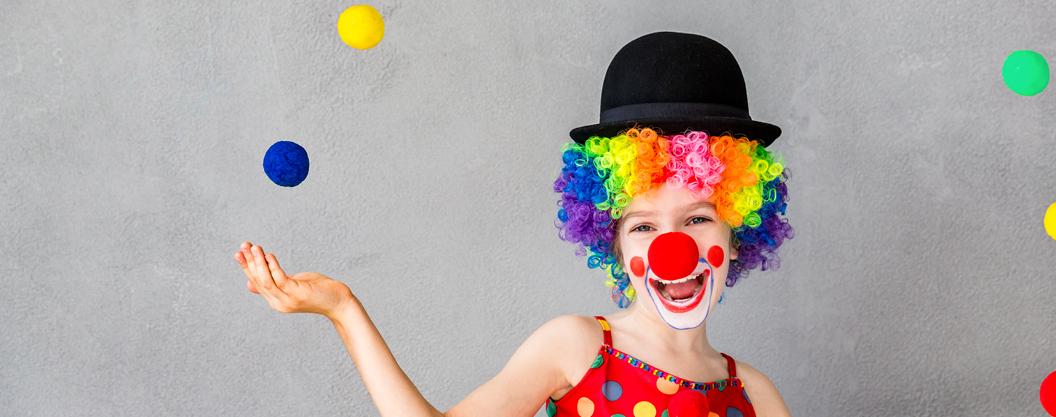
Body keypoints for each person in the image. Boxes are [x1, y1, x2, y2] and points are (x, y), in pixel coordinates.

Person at [236, 32, 794, 417]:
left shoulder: (757, 396)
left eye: (697, 218)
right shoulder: (578, 347)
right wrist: (343, 309)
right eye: (643, 227)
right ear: (616, 245)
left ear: (738, 231)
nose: (673, 248)